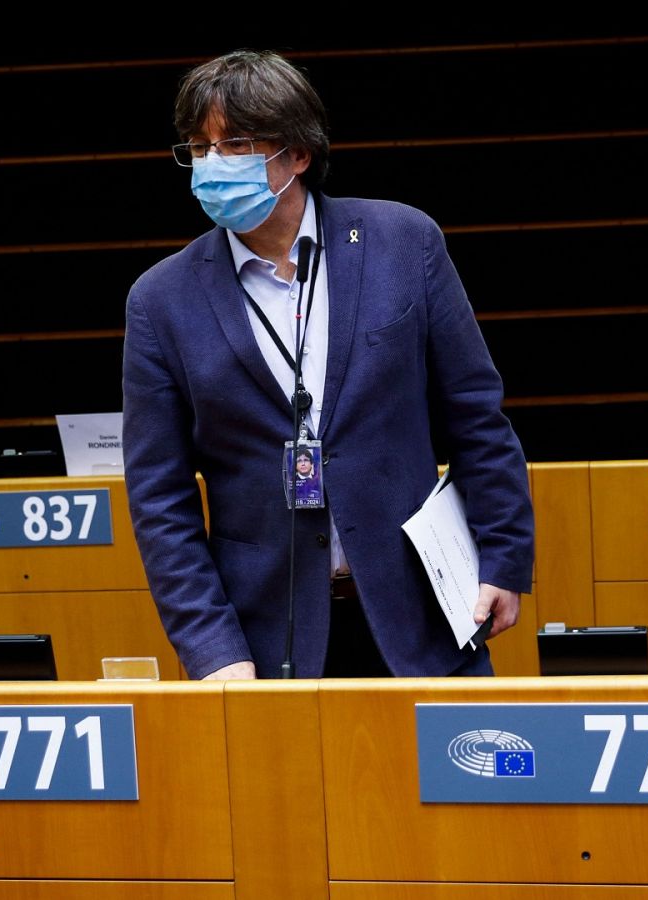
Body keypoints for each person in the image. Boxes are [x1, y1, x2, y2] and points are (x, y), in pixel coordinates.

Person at [122, 50, 534, 680]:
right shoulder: (161, 300)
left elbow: (476, 416)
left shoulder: (404, 242)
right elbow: (160, 497)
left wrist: (504, 559)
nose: (212, 166)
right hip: (260, 641)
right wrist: (212, 647)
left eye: (234, 145)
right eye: (197, 149)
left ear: (298, 153)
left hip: (421, 616)